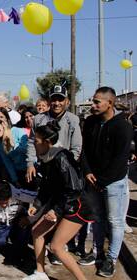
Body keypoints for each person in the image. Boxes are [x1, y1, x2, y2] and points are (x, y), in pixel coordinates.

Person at [23, 121, 93, 280]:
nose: (34, 143)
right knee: (37, 232)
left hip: (77, 206)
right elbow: (47, 186)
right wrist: (37, 204)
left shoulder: (62, 157)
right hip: (61, 204)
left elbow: (74, 189)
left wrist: (56, 211)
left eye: (37, 141)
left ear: (47, 142)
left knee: (56, 247)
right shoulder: (46, 156)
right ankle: (40, 273)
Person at [80, 87, 133, 277]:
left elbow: (120, 159)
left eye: (97, 102)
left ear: (109, 103)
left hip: (113, 183)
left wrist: (103, 180)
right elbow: (84, 150)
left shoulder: (123, 126)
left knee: (115, 221)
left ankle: (110, 259)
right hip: (93, 180)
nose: (93, 105)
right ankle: (97, 254)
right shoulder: (91, 122)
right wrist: (87, 172)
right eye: (93, 101)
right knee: (97, 219)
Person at [26, 85, 82, 184]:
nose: (57, 103)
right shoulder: (38, 119)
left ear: (66, 101)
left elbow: (76, 148)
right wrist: (30, 164)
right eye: (53, 100)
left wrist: (65, 165)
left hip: (64, 169)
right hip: (42, 168)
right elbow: (31, 142)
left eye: (60, 100)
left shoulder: (73, 120)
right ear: (49, 101)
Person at [0, 182, 35, 267]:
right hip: (0, 225)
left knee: (24, 231)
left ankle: (21, 249)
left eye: (6, 201)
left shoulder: (18, 194)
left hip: (17, 220)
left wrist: (29, 218)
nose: (3, 205)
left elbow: (39, 198)